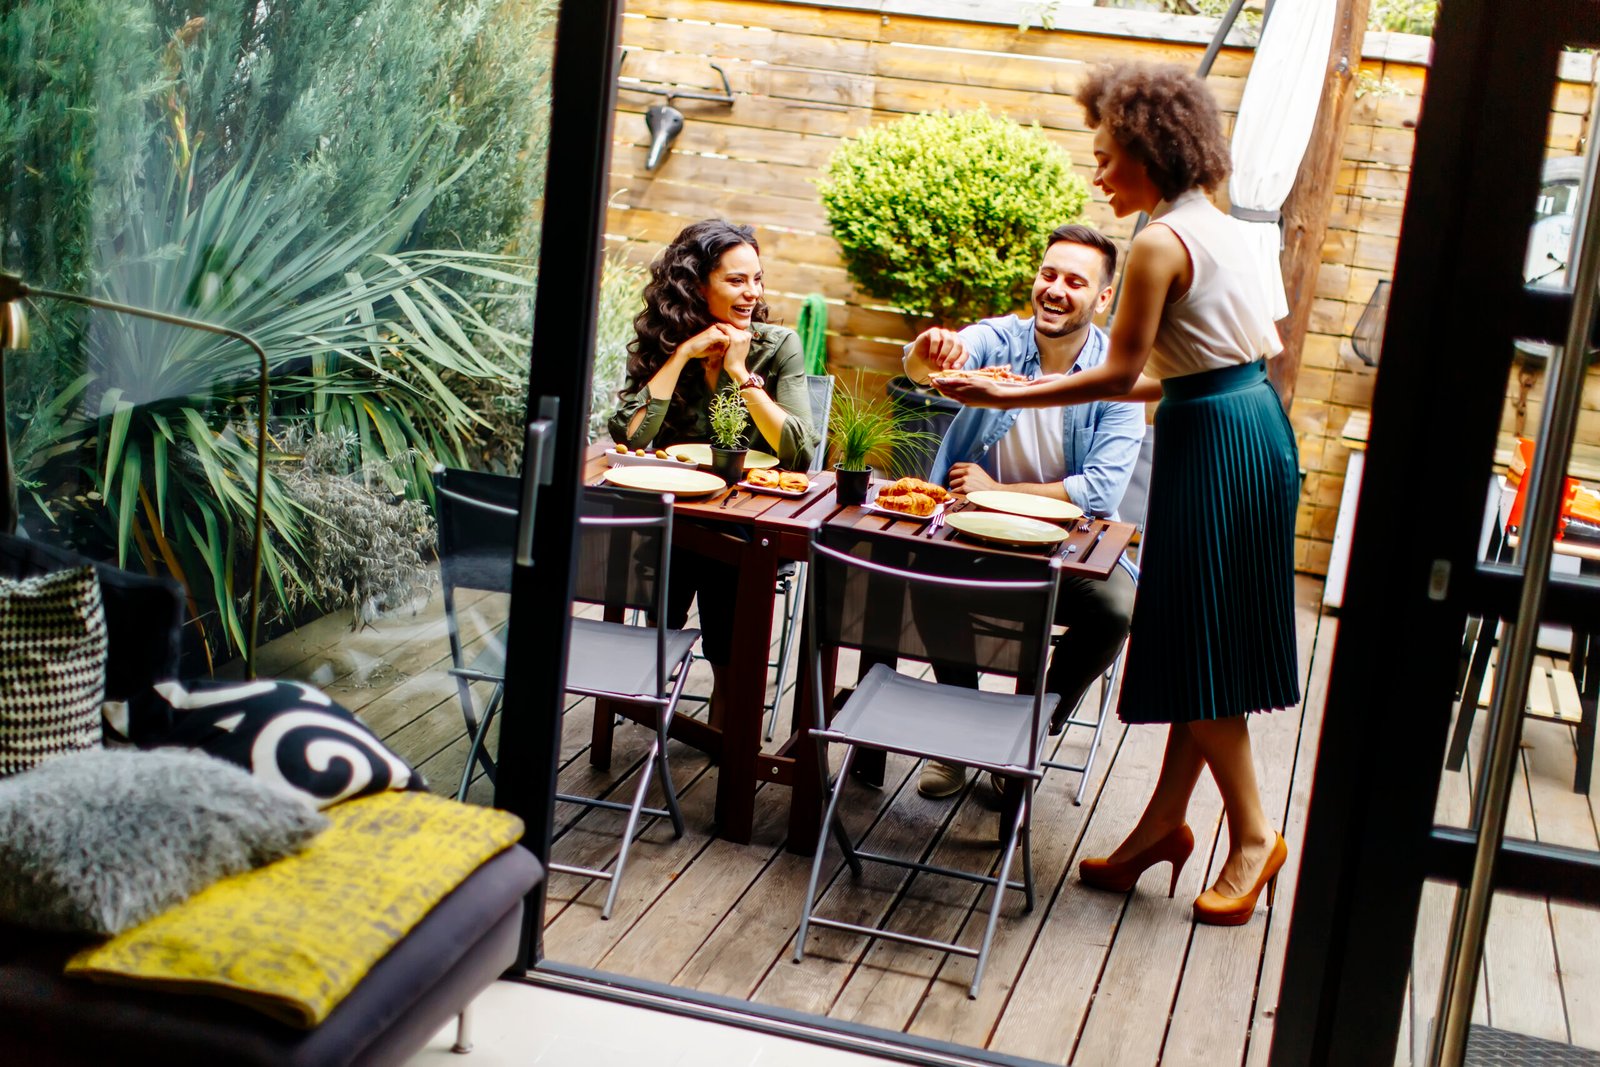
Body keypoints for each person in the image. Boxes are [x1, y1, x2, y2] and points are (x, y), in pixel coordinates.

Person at [935, 63, 1299, 926]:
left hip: (1213, 445)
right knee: (1189, 636)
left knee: (1198, 639)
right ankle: (1164, 823)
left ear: (1148, 150)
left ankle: (1253, 835)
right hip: (1245, 425)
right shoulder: (1222, 226)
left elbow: (1122, 370)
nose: (1097, 174)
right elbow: (1228, 356)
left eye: (1107, 157)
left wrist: (1010, 394)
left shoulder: (1158, 242)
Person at [901, 224, 1144, 800]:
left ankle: (1027, 733)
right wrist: (931, 349)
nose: (1055, 289)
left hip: (1060, 546)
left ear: (1103, 298)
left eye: (1075, 281)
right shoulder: (1001, 338)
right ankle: (961, 734)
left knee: (1115, 607)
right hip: (968, 534)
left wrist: (993, 490)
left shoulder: (1119, 375)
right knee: (921, 575)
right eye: (1049, 274)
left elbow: (1101, 491)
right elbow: (934, 366)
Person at [609, 219, 820, 729]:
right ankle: (664, 687)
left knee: (729, 566)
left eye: (757, 279)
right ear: (696, 284)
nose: (752, 293)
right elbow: (633, 438)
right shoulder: (666, 340)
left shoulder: (777, 345)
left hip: (745, 519)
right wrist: (681, 356)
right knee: (689, 557)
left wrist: (740, 375)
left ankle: (726, 725)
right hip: (673, 515)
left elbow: (799, 452)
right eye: (736, 280)